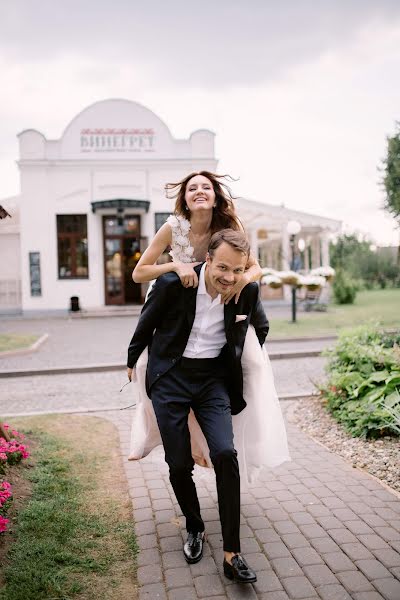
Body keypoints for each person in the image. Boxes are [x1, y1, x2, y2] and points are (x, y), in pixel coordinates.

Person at [128, 171, 290, 484]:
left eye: (206, 187)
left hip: (222, 305)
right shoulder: (172, 227)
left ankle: (245, 437)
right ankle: (156, 434)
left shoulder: (229, 226)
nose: (200, 191)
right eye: (192, 188)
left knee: (253, 364)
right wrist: (176, 265)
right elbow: (139, 273)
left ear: (215, 195)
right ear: (185, 198)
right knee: (150, 366)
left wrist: (239, 280)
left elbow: (255, 268)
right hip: (177, 309)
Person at [127, 229, 268, 582]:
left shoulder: (245, 290)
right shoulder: (176, 283)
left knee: (225, 453)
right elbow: (147, 323)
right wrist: (132, 363)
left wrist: (241, 362)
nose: (228, 277)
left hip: (212, 381)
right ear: (208, 260)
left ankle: (232, 553)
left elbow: (259, 328)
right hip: (170, 377)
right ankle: (194, 524)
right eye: (222, 268)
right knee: (178, 462)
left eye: (236, 270)